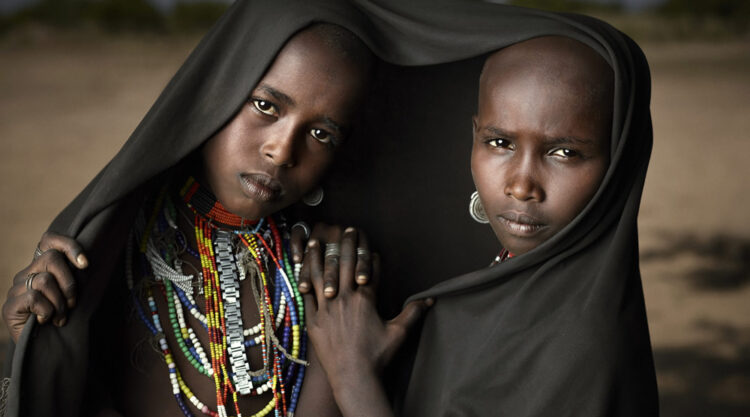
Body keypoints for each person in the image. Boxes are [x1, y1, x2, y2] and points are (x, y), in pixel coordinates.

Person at [4, 1, 657, 416]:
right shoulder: (110, 243)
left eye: (322, 134)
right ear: (211, 94)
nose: (281, 150)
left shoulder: (323, 267)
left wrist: (347, 372)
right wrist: (33, 340)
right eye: (264, 105)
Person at [300, 32, 657, 417]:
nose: (521, 186)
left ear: (619, 160)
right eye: (500, 143)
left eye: (565, 152)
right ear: (473, 135)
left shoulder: (586, 347)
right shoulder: (500, 280)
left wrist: (353, 378)